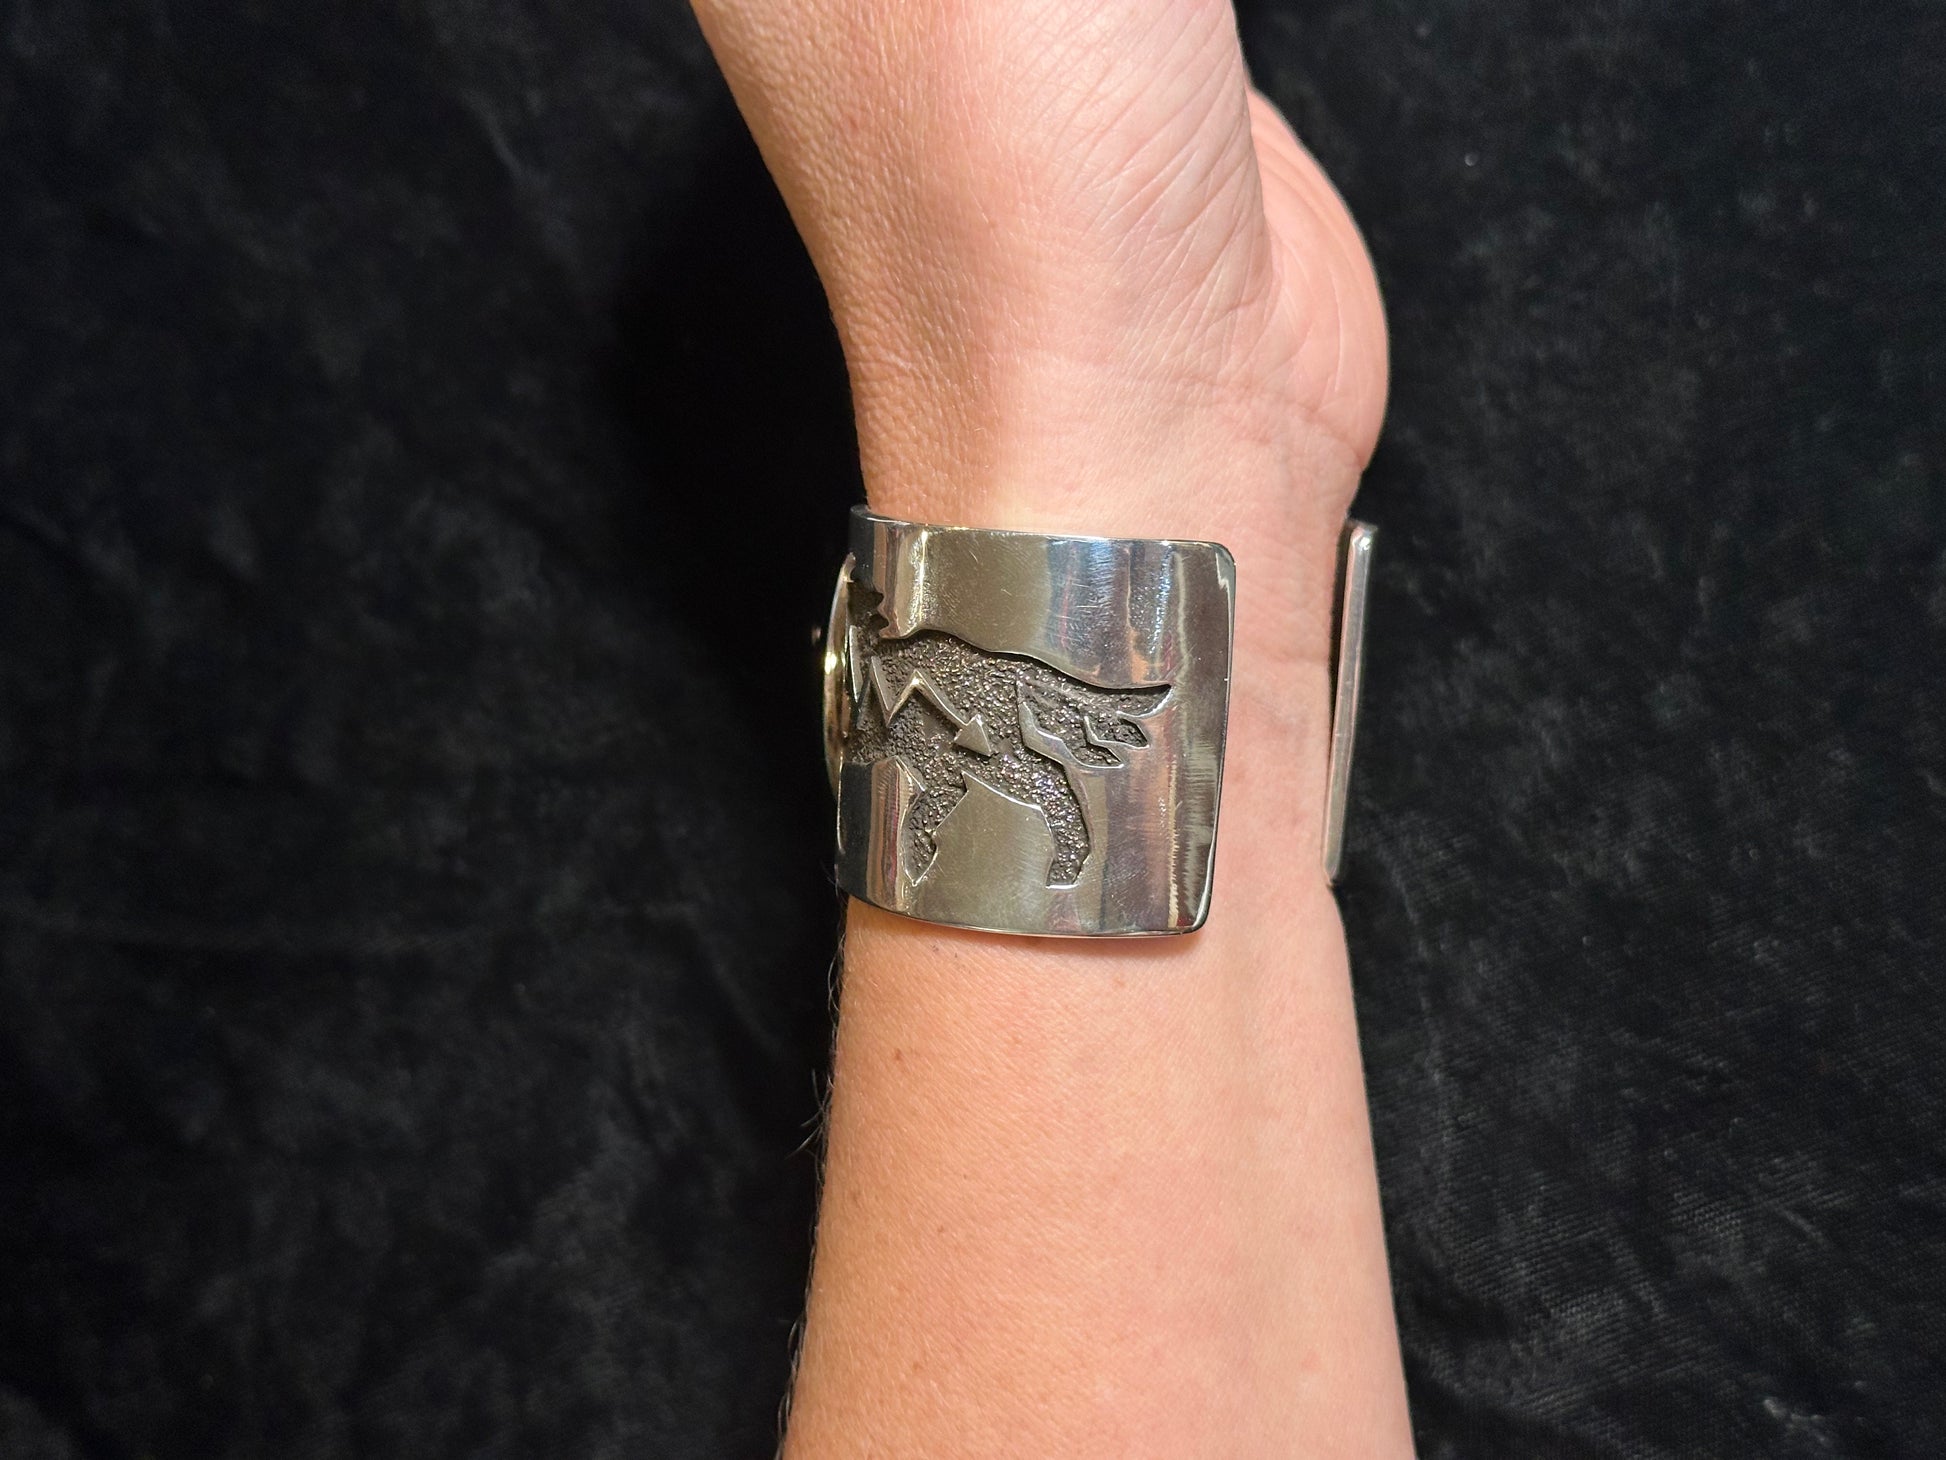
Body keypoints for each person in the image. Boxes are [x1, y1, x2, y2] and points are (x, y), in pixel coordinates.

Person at [688, 1, 1414, 1453]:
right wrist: (1154, 408)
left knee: (1026, 762)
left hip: (973, 683)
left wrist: (1117, 384)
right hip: (972, 679)